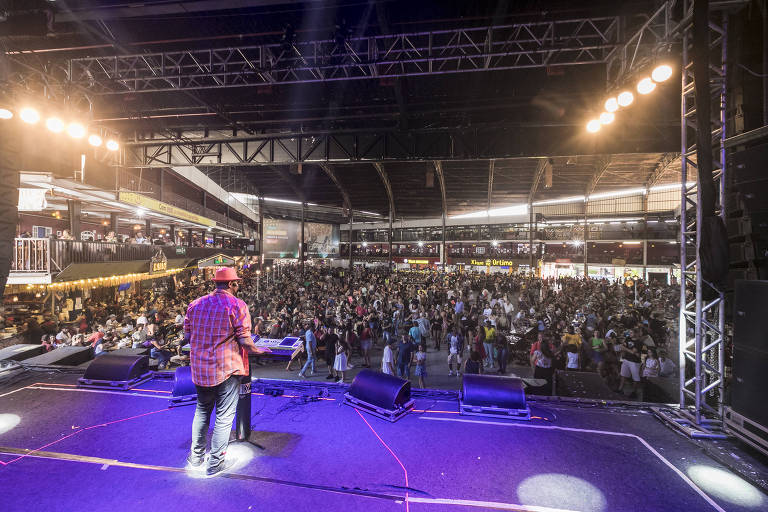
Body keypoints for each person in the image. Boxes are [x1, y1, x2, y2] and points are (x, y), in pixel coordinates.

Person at [184, 267, 270, 477]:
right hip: (226, 369)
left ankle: (196, 457)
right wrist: (259, 349)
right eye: (237, 283)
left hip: (200, 369)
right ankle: (215, 463)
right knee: (223, 417)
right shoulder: (236, 305)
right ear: (231, 284)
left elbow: (187, 336)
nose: (238, 286)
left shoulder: (195, 304)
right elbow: (244, 340)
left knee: (202, 411)